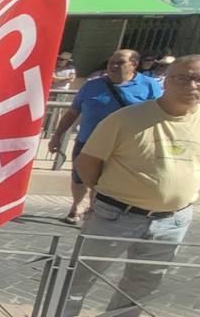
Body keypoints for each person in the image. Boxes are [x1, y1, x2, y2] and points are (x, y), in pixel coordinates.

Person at [50, 55, 200, 317]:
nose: (191, 85)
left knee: (146, 280)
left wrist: (172, 195)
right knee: (84, 273)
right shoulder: (127, 119)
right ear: (167, 80)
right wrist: (108, 194)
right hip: (115, 213)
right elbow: (87, 162)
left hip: (172, 220)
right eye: (182, 78)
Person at [47, 49, 160, 225]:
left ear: (133, 65)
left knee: (106, 180)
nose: (113, 66)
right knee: (80, 176)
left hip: (123, 145)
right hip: (88, 140)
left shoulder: (149, 85)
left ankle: (95, 209)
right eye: (111, 62)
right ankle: (77, 206)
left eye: (119, 62)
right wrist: (57, 136)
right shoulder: (92, 85)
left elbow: (159, 113)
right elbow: (73, 112)